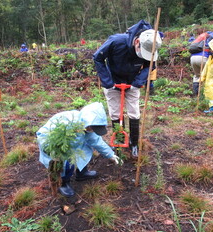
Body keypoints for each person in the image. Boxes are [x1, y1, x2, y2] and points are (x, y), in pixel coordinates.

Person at [93, 20, 162, 157]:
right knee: (115, 113)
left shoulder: (151, 46)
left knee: (134, 112)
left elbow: (151, 66)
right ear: (137, 43)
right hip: (113, 81)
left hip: (132, 82)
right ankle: (118, 142)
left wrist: (137, 82)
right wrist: (107, 82)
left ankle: (134, 143)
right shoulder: (116, 41)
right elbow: (98, 58)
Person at [36, 102, 121, 197]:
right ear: (88, 123)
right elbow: (49, 139)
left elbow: (96, 141)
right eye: (92, 129)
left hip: (74, 145)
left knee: (85, 150)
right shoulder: (67, 123)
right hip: (54, 146)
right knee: (67, 163)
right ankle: (63, 183)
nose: (93, 131)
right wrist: (54, 152)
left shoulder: (87, 125)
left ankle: (82, 173)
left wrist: (111, 155)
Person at [190, 31, 213, 95]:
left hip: (193, 58)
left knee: (197, 75)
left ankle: (196, 93)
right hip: (203, 57)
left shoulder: (202, 36)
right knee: (208, 75)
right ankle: (208, 94)